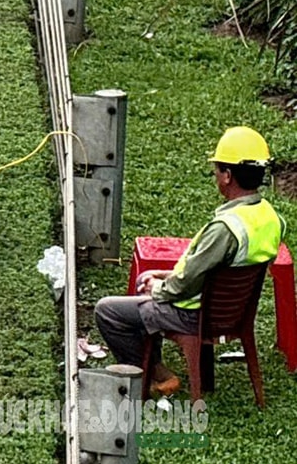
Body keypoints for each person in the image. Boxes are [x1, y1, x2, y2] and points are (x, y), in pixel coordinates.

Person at [94, 126, 285, 394]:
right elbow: (216, 270)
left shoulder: (225, 229)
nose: (216, 176)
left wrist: (160, 288)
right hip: (234, 313)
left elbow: (185, 286)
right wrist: (165, 275)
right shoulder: (270, 217)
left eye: (217, 170)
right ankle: (157, 367)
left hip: (193, 314)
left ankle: (148, 376)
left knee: (108, 311)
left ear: (227, 175)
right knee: (144, 282)